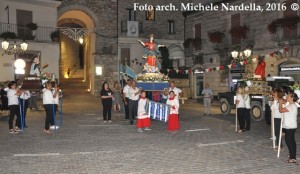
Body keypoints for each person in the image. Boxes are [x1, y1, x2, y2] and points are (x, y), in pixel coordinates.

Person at [278, 91, 298, 163]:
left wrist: (280, 103)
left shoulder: (291, 106)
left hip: (289, 126)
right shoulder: (293, 105)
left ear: (292, 98)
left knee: (289, 141)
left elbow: (281, 110)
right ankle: (292, 155)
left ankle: (293, 158)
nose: (286, 97)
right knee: (292, 141)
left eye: (288, 96)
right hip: (292, 126)